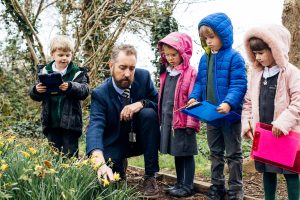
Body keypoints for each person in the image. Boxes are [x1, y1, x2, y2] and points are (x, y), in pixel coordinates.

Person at [86, 44, 160, 198]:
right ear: (111, 66)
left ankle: (150, 176)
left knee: (149, 114)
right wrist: (98, 161)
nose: (127, 73)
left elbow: (158, 102)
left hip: (140, 138)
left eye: (132, 68)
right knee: (113, 181)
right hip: (115, 140)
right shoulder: (100, 93)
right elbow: (96, 125)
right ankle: (120, 164)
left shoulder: (144, 78)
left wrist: (141, 104)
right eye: (122, 67)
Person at [187, 13, 247, 200]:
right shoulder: (205, 59)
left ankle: (236, 189)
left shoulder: (234, 57)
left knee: (234, 153)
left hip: (229, 115)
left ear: (224, 35)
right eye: (205, 38)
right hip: (211, 114)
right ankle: (217, 185)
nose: (208, 42)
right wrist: (194, 97)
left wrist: (229, 103)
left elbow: (239, 84)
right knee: (215, 152)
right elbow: (199, 82)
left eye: (212, 37)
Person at [242, 24, 300, 200]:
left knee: (290, 172)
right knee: (267, 170)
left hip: (286, 132)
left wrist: (282, 123)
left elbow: (298, 103)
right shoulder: (255, 74)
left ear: (275, 49)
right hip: (264, 133)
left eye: (261, 52)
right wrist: (248, 124)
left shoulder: (291, 73)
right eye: (255, 53)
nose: (257, 57)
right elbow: (248, 103)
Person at [29, 35, 89, 158]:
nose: (64, 58)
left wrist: (71, 87)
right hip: (51, 121)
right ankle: (54, 177)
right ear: (53, 54)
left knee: (70, 155)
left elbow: (85, 91)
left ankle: (70, 177)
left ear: (72, 54)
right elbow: (34, 95)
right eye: (61, 55)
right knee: (54, 155)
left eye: (68, 55)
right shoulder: (44, 71)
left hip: (71, 123)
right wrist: (36, 90)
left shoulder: (77, 72)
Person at [157, 32, 200, 197]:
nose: (170, 58)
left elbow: (193, 100)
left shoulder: (190, 73)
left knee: (187, 154)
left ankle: (188, 185)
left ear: (183, 53)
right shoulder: (166, 73)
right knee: (177, 152)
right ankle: (179, 183)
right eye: (167, 55)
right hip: (170, 122)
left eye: (174, 54)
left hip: (184, 121)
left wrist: (192, 123)